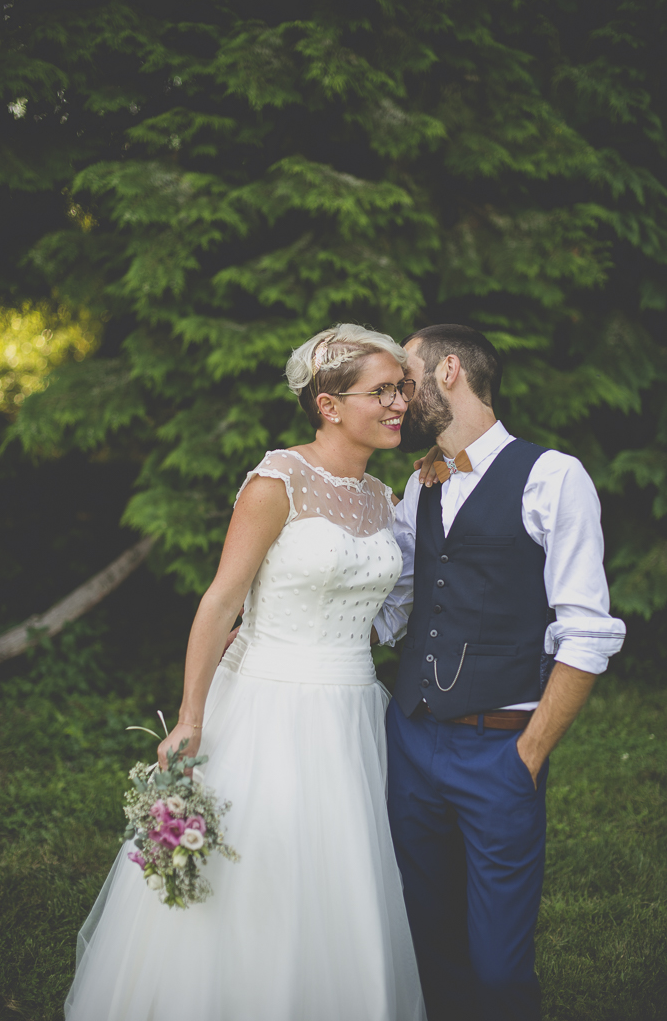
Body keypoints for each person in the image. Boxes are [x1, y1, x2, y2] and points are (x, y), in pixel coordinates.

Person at [64, 323, 427, 1021]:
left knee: (343, 879)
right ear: (329, 404)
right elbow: (222, 598)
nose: (398, 404)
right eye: (382, 391)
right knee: (264, 873)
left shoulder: (384, 498)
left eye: (401, 391)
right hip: (270, 703)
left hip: (354, 712)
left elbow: (393, 606)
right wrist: (192, 715)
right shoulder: (277, 479)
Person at [373, 324, 626, 1021]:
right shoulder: (417, 481)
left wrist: (530, 753)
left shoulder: (552, 475)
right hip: (413, 741)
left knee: (497, 968)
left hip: (501, 750)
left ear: (449, 371)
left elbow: (587, 631)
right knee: (428, 942)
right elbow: (392, 607)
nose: (397, 395)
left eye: (406, 377)